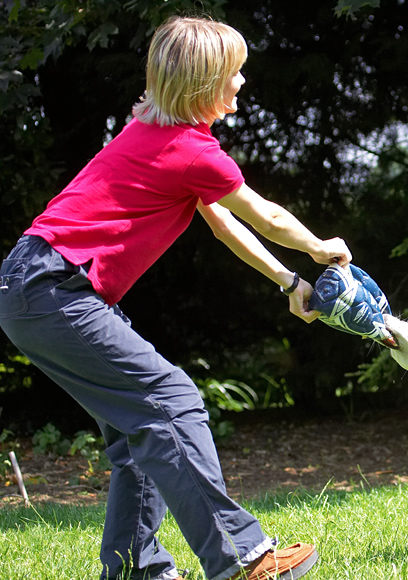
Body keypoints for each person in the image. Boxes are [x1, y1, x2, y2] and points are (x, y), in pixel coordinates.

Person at [0, 16, 349, 580]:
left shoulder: (165, 139)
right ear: (203, 83)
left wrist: (290, 282)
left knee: (142, 429)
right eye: (233, 73)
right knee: (170, 399)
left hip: (35, 286)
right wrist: (320, 247)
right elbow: (268, 217)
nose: (241, 83)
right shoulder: (191, 152)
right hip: (54, 288)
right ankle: (243, 557)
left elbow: (224, 225)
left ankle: (139, 571)